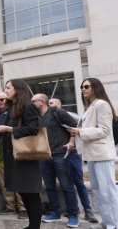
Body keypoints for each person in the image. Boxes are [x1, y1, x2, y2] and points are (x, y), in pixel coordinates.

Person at [68, 78, 118, 229]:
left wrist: (80, 131)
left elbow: (104, 130)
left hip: (102, 153)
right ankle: (108, 222)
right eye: (82, 86)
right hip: (92, 154)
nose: (83, 89)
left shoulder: (102, 104)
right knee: (98, 190)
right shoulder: (90, 106)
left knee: (108, 190)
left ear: (96, 87)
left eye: (86, 86)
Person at [0, 79, 42, 229]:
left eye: (8, 88)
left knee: (31, 193)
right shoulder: (13, 107)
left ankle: (35, 226)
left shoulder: (28, 106)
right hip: (14, 156)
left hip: (26, 156)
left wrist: (9, 129)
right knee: (24, 191)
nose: (6, 90)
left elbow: (33, 129)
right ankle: (31, 225)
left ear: (18, 89)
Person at [31, 93, 80, 227]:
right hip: (44, 155)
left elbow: (74, 125)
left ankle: (73, 215)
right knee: (49, 186)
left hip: (60, 154)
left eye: (33, 101)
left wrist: (71, 142)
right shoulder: (35, 117)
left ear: (42, 102)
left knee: (67, 185)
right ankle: (55, 212)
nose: (31, 104)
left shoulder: (58, 112)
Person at [50, 98, 98, 223]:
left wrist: (72, 142)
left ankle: (88, 210)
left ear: (60, 104)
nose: (50, 105)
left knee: (78, 181)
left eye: (52, 103)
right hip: (60, 155)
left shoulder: (70, 115)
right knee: (67, 183)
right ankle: (74, 209)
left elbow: (79, 128)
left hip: (73, 154)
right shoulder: (49, 117)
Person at [0, 92, 27, 219]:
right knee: (3, 180)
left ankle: (23, 206)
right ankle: (10, 206)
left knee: (18, 178)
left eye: (2, 99)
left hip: (15, 149)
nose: (0, 102)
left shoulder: (15, 112)